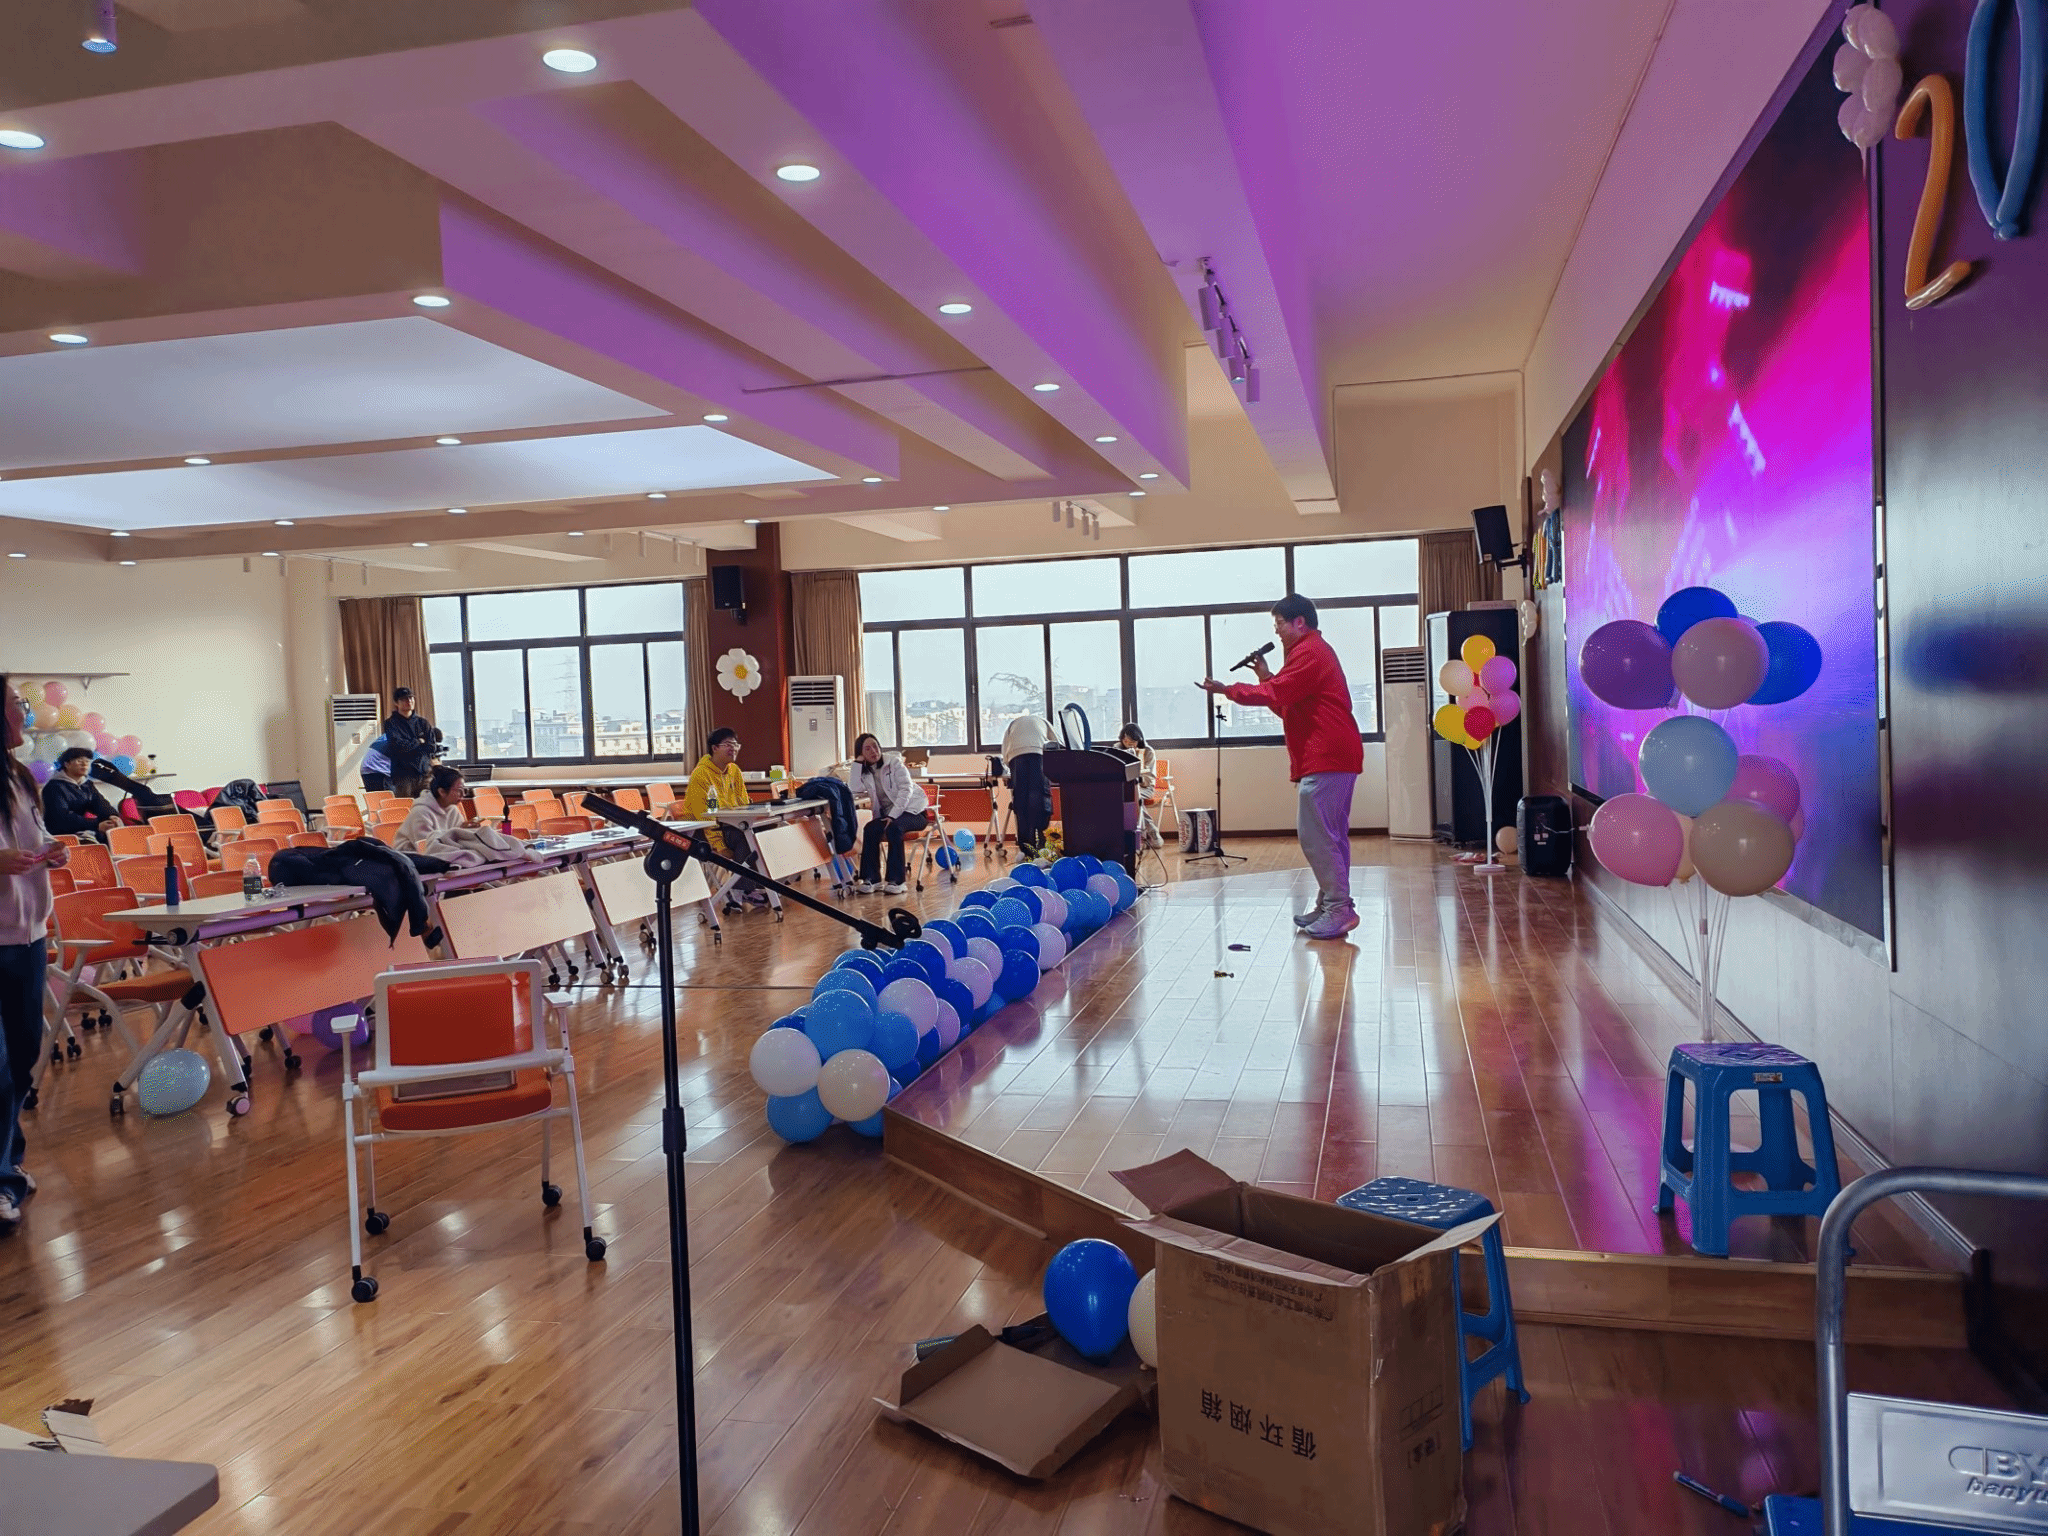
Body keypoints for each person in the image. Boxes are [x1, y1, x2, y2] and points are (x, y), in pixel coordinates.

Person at [1200, 594, 1363, 939]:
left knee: (1317, 836)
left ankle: (1339, 908)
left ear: (1299, 622)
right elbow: (1287, 705)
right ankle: (1331, 903)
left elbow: (1277, 693)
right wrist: (1265, 676)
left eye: (1279, 624)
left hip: (1327, 755)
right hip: (1333, 755)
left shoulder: (1310, 652)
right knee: (1330, 835)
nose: (1276, 632)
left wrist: (1228, 689)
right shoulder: (1309, 653)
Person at [0, 678, 66, 1232]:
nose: (24, 714)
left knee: (23, 1055)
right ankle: (1, 1179)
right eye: (16, 706)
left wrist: (52, 851)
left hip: (29, 939)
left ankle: (9, 1161)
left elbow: (32, 838)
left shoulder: (19, 777)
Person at [681, 727, 766, 906]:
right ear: (714, 748)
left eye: (735, 744)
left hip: (729, 825)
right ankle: (740, 890)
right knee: (744, 837)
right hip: (703, 831)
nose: (733, 748)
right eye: (728, 744)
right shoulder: (700, 775)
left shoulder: (734, 770)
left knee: (764, 830)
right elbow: (704, 816)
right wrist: (719, 845)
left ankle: (763, 884)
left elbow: (743, 802)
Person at [847, 732, 929, 894]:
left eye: (875, 746)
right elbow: (854, 788)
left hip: (914, 811)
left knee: (894, 828)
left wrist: (893, 815)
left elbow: (906, 789)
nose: (873, 751)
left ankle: (897, 881)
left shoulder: (894, 763)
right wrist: (857, 764)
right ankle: (872, 879)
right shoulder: (865, 771)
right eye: (867, 749)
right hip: (888, 815)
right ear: (861, 753)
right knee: (870, 828)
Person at [1001, 712, 1058, 857]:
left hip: (1015, 756)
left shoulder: (1013, 724)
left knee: (1021, 801)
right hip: (1038, 753)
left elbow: (1005, 750)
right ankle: (1042, 840)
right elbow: (1057, 743)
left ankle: (1026, 847)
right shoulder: (1043, 722)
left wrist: (1011, 769)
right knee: (1041, 796)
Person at [41, 748, 120, 840]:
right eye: (79, 761)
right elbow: (62, 818)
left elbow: (100, 803)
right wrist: (96, 824)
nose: (84, 764)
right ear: (67, 764)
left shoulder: (86, 785)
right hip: (60, 835)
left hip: (80, 830)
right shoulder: (53, 787)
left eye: (87, 761)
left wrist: (112, 816)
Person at [382, 687, 439, 800]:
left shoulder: (423, 723)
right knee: (406, 807)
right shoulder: (390, 723)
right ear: (396, 703)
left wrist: (411, 745)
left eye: (411, 698)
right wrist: (419, 741)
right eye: (404, 699)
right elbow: (398, 746)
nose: (409, 701)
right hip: (403, 776)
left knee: (427, 806)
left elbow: (431, 747)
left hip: (424, 774)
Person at [394, 765, 466, 853]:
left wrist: (466, 831)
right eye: (459, 790)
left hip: (440, 853)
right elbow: (427, 846)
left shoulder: (452, 809)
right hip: (412, 856)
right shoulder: (420, 812)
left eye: (464, 790)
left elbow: (457, 838)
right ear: (442, 792)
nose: (463, 794)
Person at [1117, 724, 1161, 851]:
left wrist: (1138, 777)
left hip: (1145, 788)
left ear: (1139, 740)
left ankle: (1151, 831)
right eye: (1126, 741)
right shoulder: (1117, 749)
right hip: (1125, 787)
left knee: (1135, 795)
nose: (1129, 745)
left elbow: (1149, 779)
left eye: (1133, 742)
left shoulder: (1148, 751)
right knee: (1123, 795)